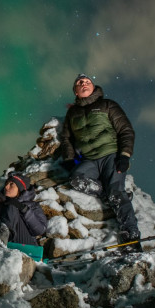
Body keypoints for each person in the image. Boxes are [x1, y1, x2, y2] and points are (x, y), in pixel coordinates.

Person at [60, 74, 141, 243]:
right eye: (80, 83)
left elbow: (125, 130)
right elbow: (67, 138)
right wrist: (69, 159)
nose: (84, 83)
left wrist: (124, 155)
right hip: (89, 160)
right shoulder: (72, 113)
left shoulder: (107, 105)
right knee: (76, 180)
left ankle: (131, 234)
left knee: (116, 192)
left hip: (111, 155)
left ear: (94, 86)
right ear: (75, 91)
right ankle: (108, 194)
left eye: (87, 81)